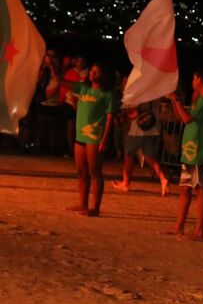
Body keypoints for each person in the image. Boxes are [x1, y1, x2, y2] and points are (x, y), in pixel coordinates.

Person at [166, 71, 203, 241]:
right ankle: (179, 226)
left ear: (201, 79)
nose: (192, 81)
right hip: (190, 151)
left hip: (198, 151)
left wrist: (177, 99)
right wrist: (174, 100)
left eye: (194, 78)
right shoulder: (200, 99)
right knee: (185, 189)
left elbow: (187, 119)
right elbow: (181, 118)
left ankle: (199, 231)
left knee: (200, 189)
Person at [65, 63, 114, 217]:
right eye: (92, 71)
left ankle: (96, 208)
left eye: (96, 71)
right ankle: (83, 203)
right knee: (81, 171)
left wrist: (105, 138)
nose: (92, 73)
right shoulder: (83, 88)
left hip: (94, 135)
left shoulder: (107, 94)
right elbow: (62, 81)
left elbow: (109, 117)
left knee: (94, 171)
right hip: (80, 135)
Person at [112, 99, 170, 196]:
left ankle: (126, 183)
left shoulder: (139, 93)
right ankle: (163, 178)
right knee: (149, 157)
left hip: (138, 130)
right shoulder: (155, 94)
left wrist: (125, 116)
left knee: (128, 155)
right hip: (153, 129)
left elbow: (135, 113)